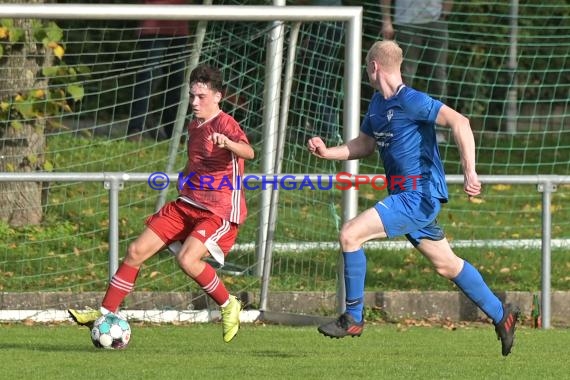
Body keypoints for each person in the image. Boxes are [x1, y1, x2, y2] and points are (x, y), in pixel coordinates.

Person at [307, 40, 520, 356]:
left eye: (367, 68)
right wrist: (329, 153)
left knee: (350, 234)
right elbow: (364, 144)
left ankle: (353, 317)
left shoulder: (413, 100)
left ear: (374, 66)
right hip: (404, 197)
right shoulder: (378, 104)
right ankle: (504, 316)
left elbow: (461, 122)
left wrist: (470, 172)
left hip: (417, 196)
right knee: (448, 265)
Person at [69, 64, 255, 343]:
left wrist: (228, 143)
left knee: (187, 259)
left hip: (218, 211)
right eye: (192, 96)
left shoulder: (225, 123)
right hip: (187, 203)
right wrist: (185, 174)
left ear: (218, 96)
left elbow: (249, 151)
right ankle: (105, 312)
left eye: (201, 97)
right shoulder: (195, 126)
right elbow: (196, 161)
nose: (194, 102)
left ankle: (229, 304)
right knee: (135, 251)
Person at [126, 0, 192, 141]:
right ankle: (135, 129)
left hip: (179, 27)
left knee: (176, 81)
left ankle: (173, 131)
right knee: (147, 78)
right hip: (152, 26)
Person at [292, 0, 344, 142]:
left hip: (329, 23)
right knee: (313, 79)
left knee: (318, 80)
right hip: (321, 23)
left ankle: (327, 130)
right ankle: (315, 127)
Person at [381, 0, 452, 103]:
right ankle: (400, 115)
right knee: (405, 74)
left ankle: (439, 116)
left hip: (436, 21)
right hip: (406, 23)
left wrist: (445, 13)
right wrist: (386, 21)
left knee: (438, 75)